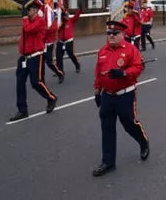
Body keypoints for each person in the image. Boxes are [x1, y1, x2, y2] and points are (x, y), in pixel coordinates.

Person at [92, 20, 149, 177]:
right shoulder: (103, 51)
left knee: (129, 123)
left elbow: (138, 67)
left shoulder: (131, 49)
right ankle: (108, 162)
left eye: (114, 33)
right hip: (107, 95)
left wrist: (124, 73)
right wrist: (97, 91)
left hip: (125, 94)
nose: (111, 36)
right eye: (109, 33)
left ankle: (143, 142)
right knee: (107, 127)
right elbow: (98, 73)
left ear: (122, 34)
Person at [9, 2, 58, 121]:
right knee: (19, 84)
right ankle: (22, 110)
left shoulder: (40, 21)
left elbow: (29, 29)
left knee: (36, 82)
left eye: (28, 9)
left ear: (35, 10)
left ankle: (51, 98)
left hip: (36, 56)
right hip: (24, 57)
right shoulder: (28, 21)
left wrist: (25, 18)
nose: (26, 12)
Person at [56, 9, 82, 74]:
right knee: (58, 57)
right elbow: (56, 30)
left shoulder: (71, 21)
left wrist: (79, 10)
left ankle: (77, 65)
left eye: (67, 15)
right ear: (63, 16)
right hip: (60, 42)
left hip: (69, 42)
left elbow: (76, 17)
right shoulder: (59, 22)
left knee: (71, 54)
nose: (67, 16)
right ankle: (61, 71)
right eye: (66, 15)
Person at [43, 10, 64, 83]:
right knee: (40, 64)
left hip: (48, 45)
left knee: (49, 62)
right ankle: (41, 80)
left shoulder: (54, 24)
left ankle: (60, 74)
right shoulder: (45, 22)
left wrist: (44, 28)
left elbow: (49, 30)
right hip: (41, 46)